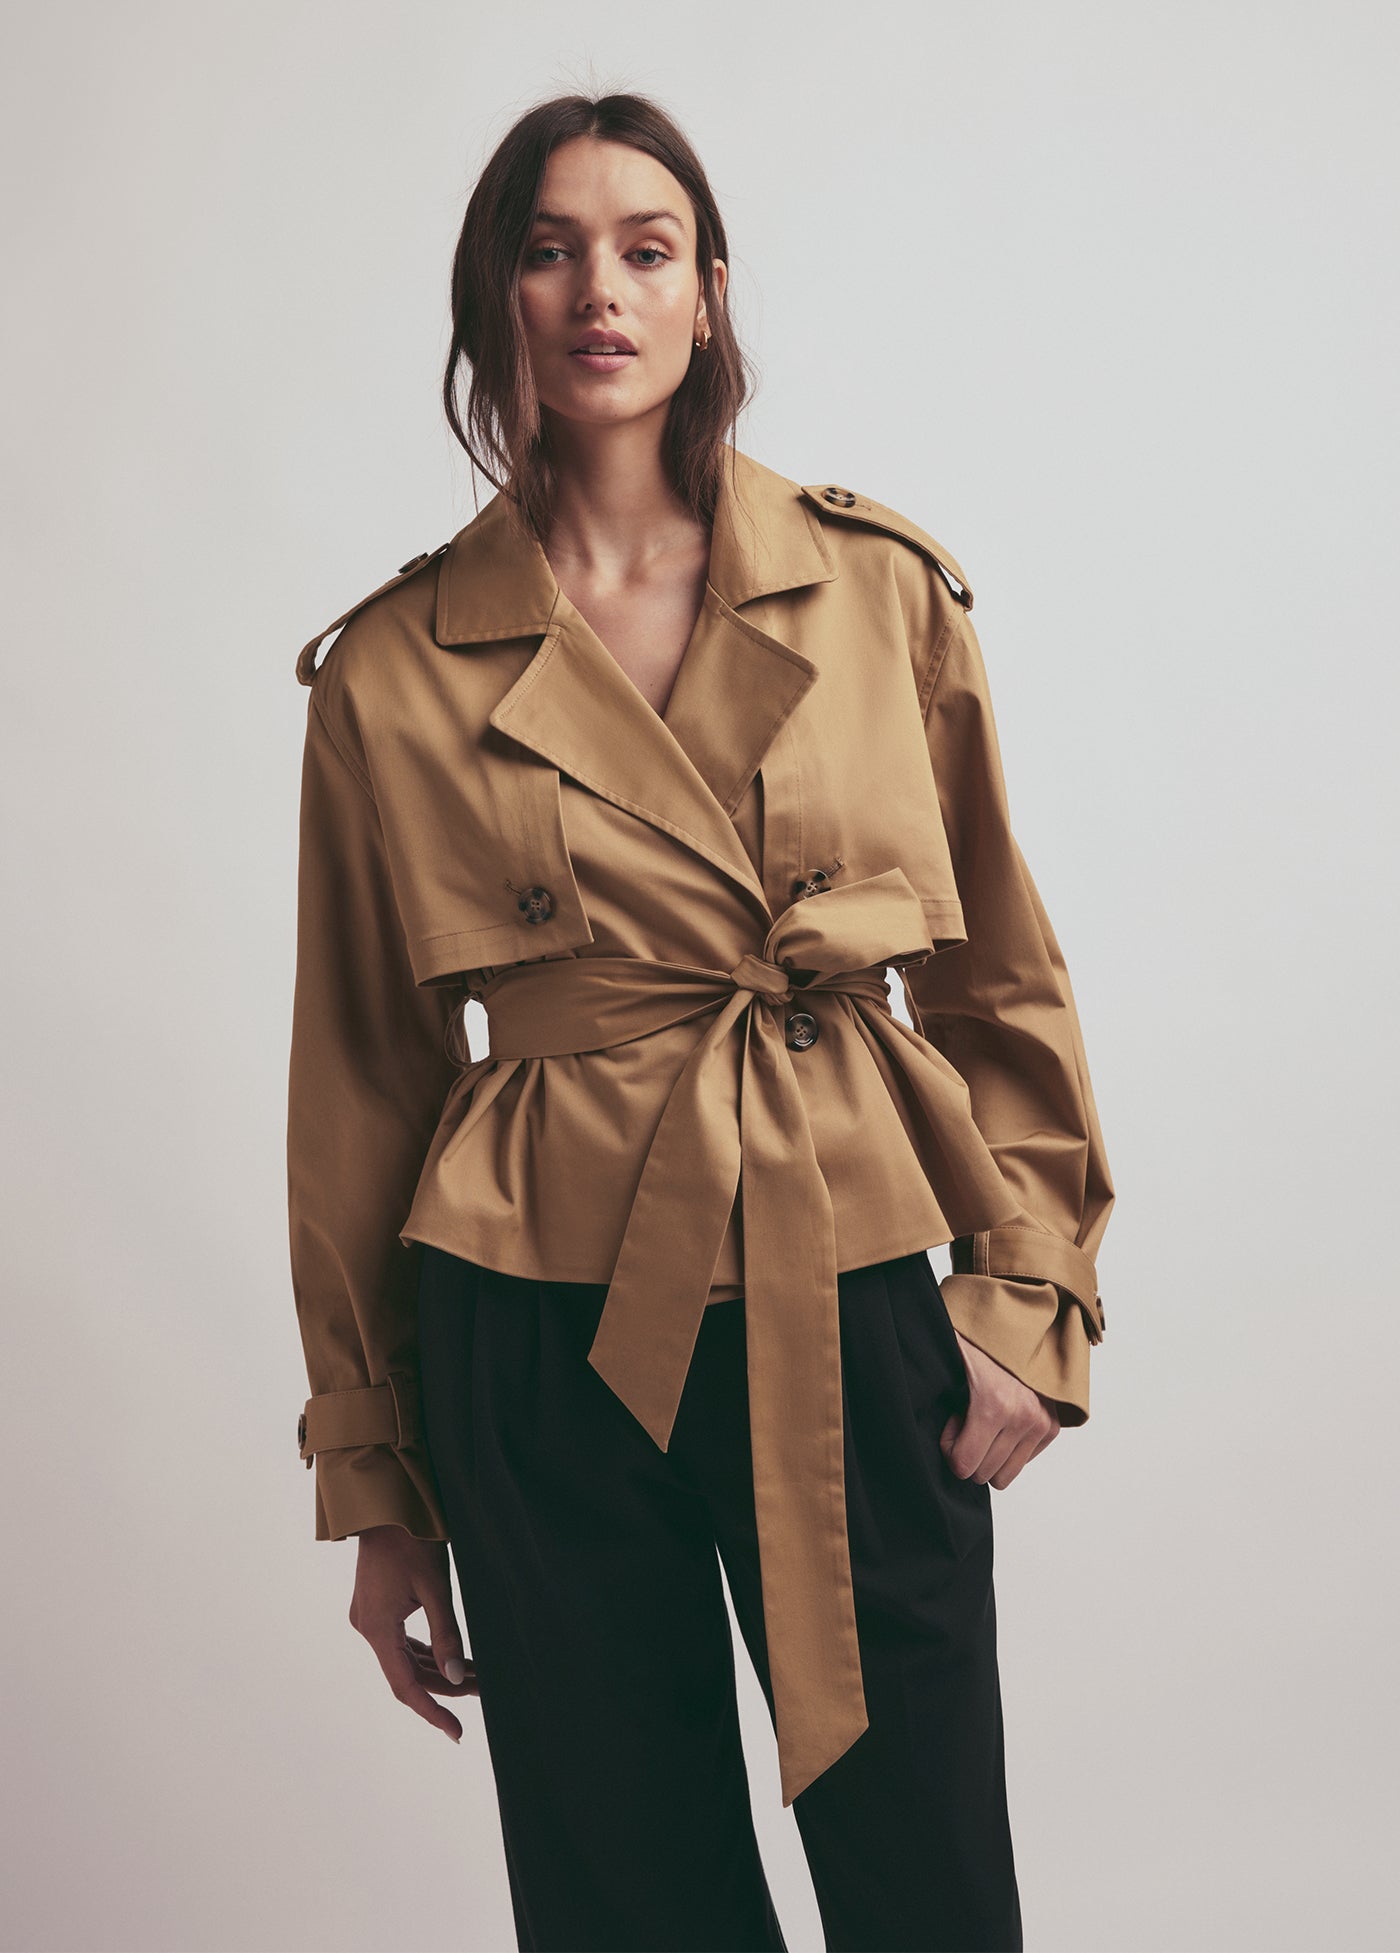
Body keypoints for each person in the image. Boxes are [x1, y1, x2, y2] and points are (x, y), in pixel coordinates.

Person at [287, 90, 1114, 1953]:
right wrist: (379, 1475)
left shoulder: (876, 587)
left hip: (848, 1275)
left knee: (924, 1870)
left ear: (709, 293)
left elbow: (997, 968)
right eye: (550, 249)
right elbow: (359, 1084)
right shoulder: (392, 669)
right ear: (494, 298)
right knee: (623, 1894)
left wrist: (1026, 1290)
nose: (601, 288)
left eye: (645, 248)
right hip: (534, 1319)